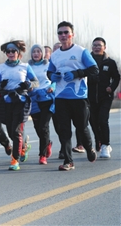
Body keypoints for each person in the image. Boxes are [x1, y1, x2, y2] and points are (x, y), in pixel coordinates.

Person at [47, 21, 99, 171]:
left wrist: (77, 73)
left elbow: (94, 70)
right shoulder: (55, 55)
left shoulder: (81, 51)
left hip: (79, 97)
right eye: (60, 33)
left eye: (66, 32)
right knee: (64, 130)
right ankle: (68, 161)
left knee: (81, 127)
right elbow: (49, 72)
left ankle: (89, 148)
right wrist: (52, 76)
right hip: (61, 97)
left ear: (72, 34)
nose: (63, 35)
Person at [0, 40, 39, 171]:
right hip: (6, 101)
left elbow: (36, 82)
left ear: (18, 53)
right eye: (8, 51)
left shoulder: (25, 67)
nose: (11, 53)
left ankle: (15, 159)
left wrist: (28, 85)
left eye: (13, 51)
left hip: (21, 100)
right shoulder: (0, 68)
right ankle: (23, 146)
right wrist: (1, 86)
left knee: (16, 131)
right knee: (10, 131)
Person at [87, 37, 120, 158]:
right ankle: (98, 140)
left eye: (99, 45)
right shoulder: (87, 61)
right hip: (90, 97)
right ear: (92, 47)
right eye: (94, 45)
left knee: (103, 120)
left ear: (104, 47)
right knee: (93, 121)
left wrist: (111, 87)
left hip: (105, 96)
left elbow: (116, 77)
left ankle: (106, 145)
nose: (97, 47)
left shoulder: (110, 62)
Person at [28, 44, 55, 165]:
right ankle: (47, 143)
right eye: (34, 52)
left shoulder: (48, 64)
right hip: (34, 99)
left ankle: (42, 155)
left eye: (38, 51)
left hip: (47, 97)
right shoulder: (28, 66)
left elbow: (55, 78)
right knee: (38, 127)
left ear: (42, 54)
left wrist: (52, 86)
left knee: (44, 126)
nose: (36, 54)